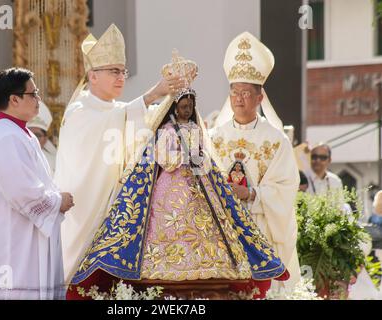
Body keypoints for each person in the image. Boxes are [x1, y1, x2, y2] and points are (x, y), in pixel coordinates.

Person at [66, 85, 289, 300]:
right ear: (174, 108)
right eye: (183, 106)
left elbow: (204, 157)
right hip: (171, 185)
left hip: (199, 185)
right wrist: (183, 158)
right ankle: (165, 268)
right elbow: (163, 157)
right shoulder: (167, 130)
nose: (187, 110)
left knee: (207, 226)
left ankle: (211, 267)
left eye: (190, 106)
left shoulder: (194, 129)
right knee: (170, 224)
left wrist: (199, 162)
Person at [54, 24, 189, 283]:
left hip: (118, 210)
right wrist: (152, 94)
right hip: (85, 210)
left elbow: (146, 126)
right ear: (93, 76)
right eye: (113, 71)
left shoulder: (118, 110)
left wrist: (173, 98)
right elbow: (116, 122)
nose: (121, 77)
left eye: (123, 71)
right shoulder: (79, 110)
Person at [0, 68, 74, 300]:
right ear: (14, 99)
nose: (38, 99)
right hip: (11, 248)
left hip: (22, 239)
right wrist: (58, 201)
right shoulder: (5, 136)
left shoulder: (20, 134)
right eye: (33, 94)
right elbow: (22, 192)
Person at [210, 31, 301, 290]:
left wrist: (250, 193)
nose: (239, 98)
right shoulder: (214, 138)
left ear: (260, 98)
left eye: (246, 93)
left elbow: (286, 188)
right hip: (224, 230)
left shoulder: (276, 141)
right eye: (234, 92)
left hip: (262, 228)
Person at [27, 101, 57, 176]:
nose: (32, 138)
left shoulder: (54, 161)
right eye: (29, 134)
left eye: (37, 135)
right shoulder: (16, 156)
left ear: (45, 139)